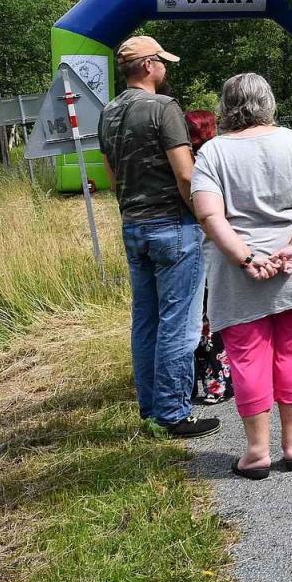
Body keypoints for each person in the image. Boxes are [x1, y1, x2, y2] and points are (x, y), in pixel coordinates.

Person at [190, 73, 292, 480]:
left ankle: (256, 452)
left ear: (226, 106)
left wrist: (245, 258)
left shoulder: (213, 153)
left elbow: (208, 214)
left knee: (247, 357)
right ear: (268, 102)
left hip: (239, 274)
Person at [97, 36, 219, 439]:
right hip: (172, 226)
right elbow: (186, 174)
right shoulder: (164, 108)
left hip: (133, 225)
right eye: (163, 62)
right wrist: (206, 219)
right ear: (149, 65)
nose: (166, 68)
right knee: (179, 324)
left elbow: (111, 176)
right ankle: (171, 413)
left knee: (145, 321)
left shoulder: (108, 112)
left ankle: (149, 408)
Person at [185, 109, 233, 406]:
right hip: (210, 247)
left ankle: (189, 385)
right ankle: (219, 385)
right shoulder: (215, 158)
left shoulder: (180, 161)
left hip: (187, 244)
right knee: (213, 322)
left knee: (189, 321)